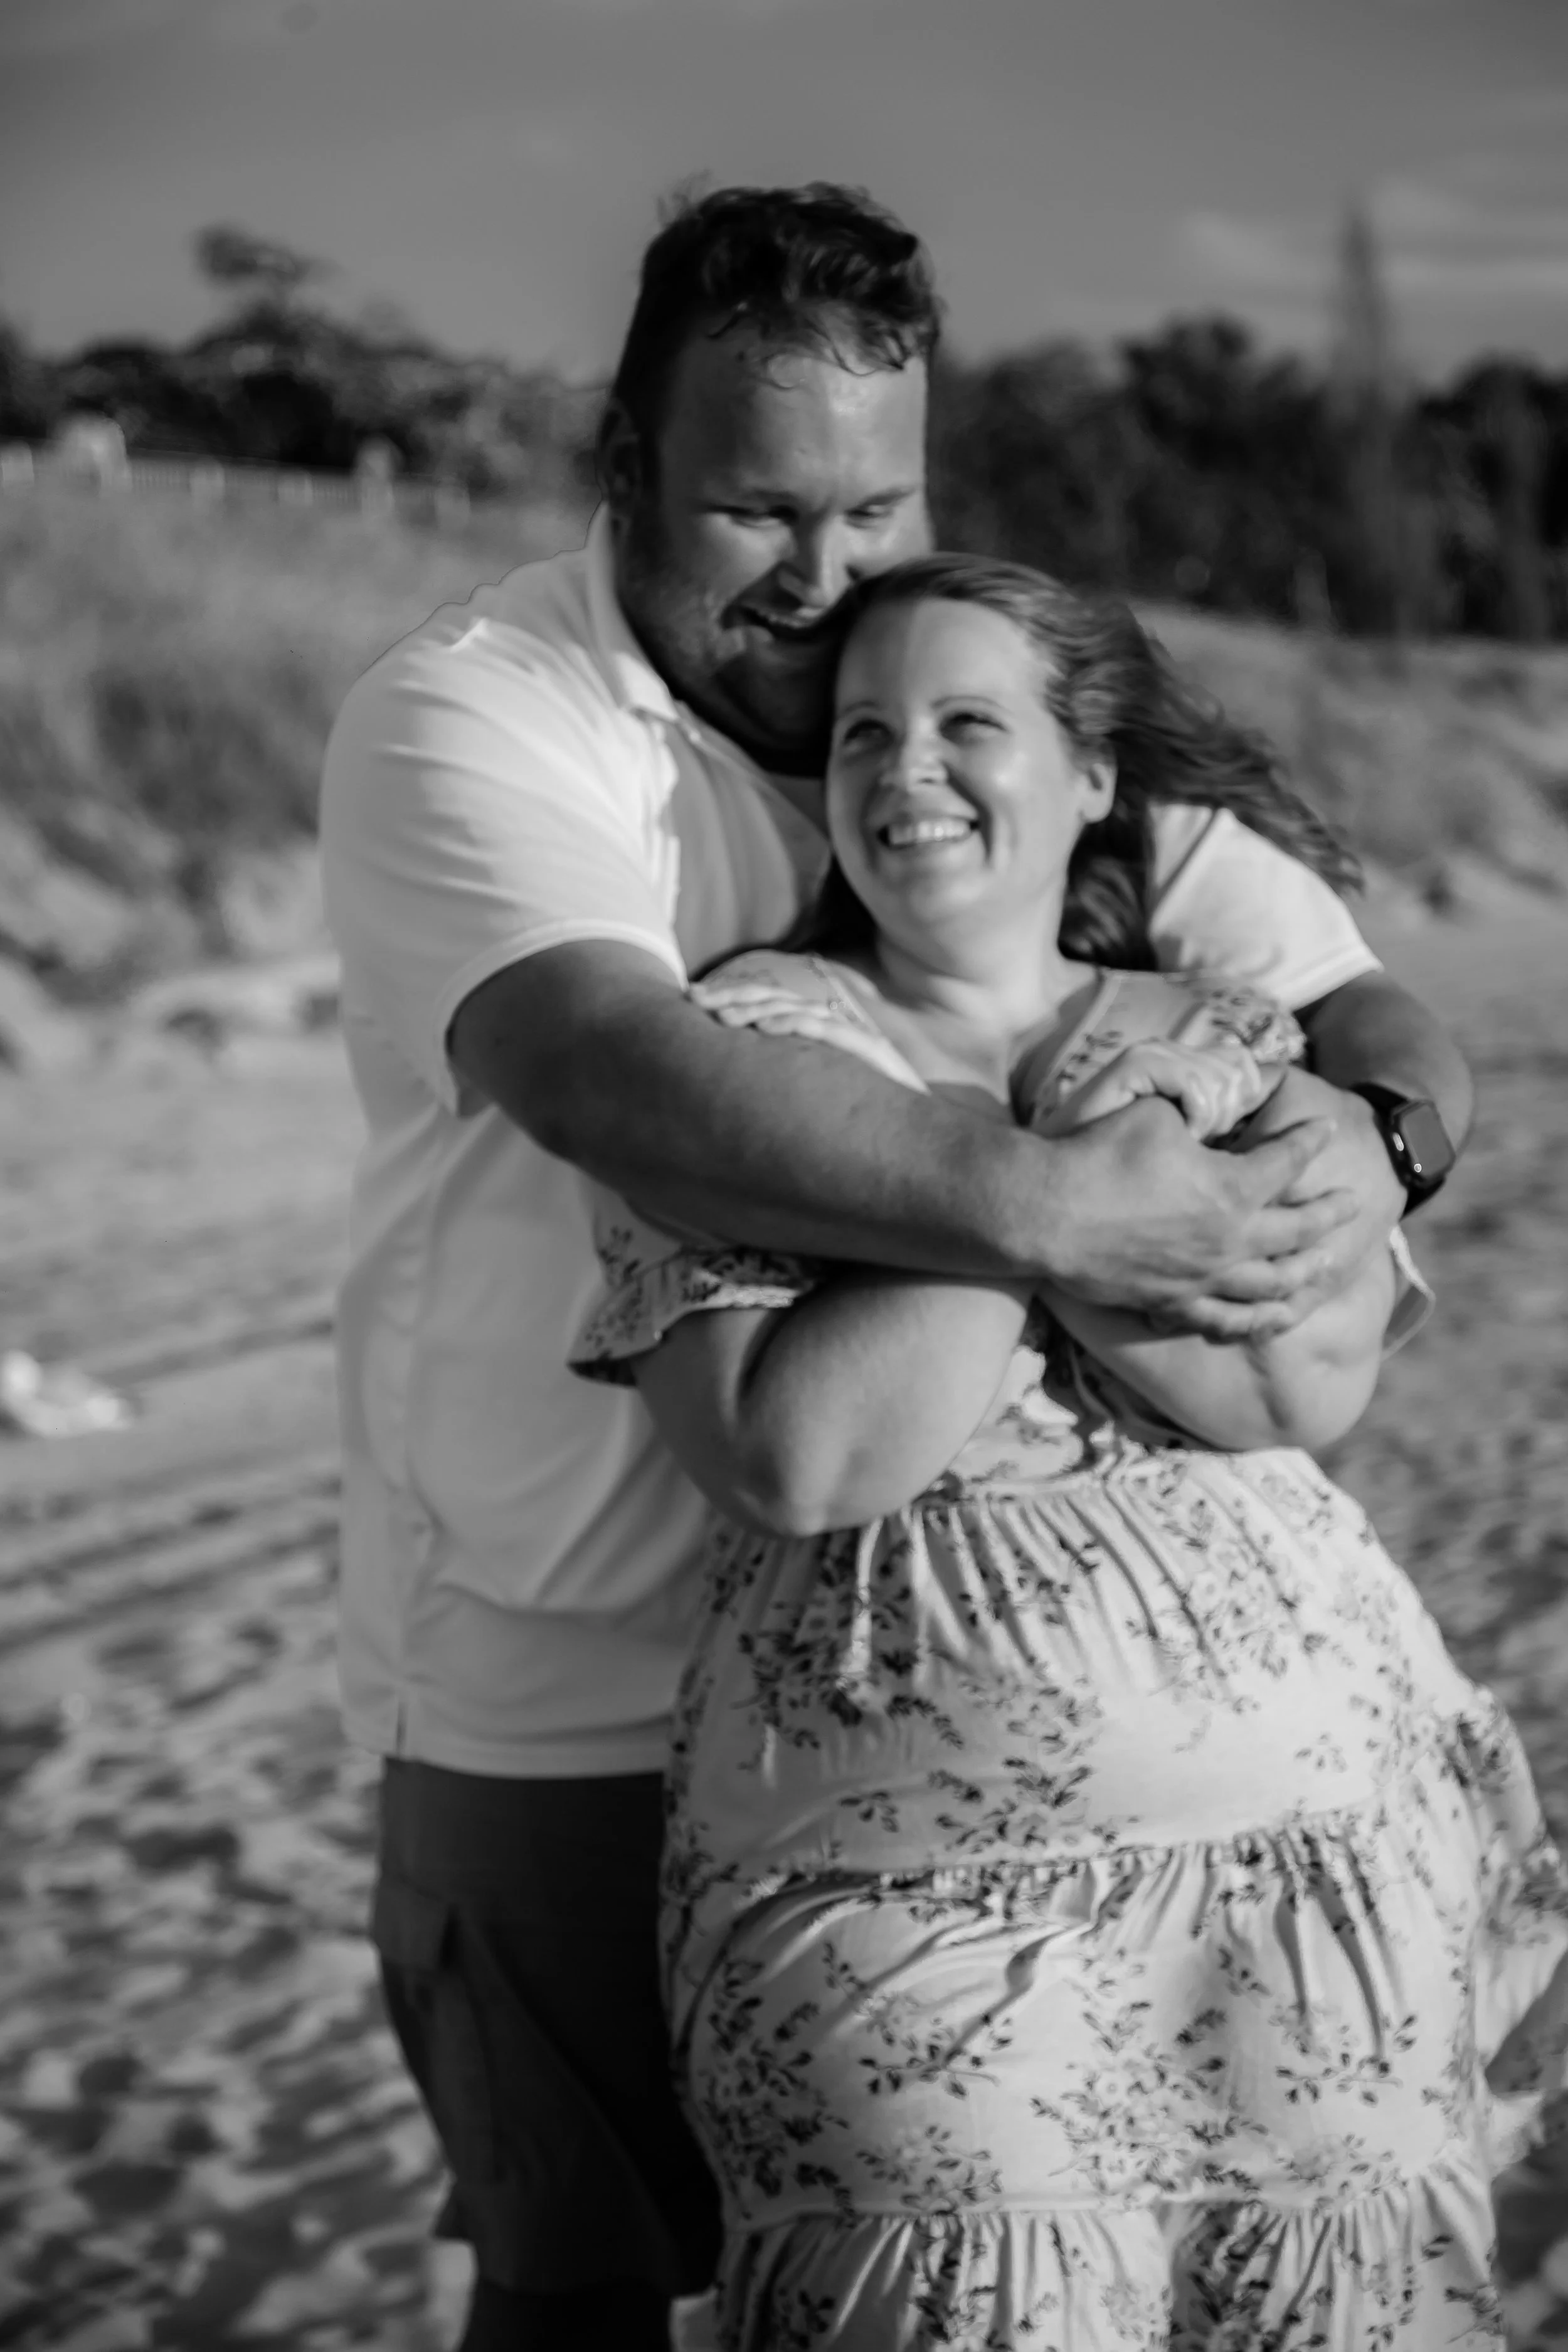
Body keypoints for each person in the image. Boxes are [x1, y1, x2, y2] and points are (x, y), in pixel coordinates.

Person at [317, 185, 1472, 2352]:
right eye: (759, 506)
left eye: (876, 502)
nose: (821, 573)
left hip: (977, 1765)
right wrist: (1061, 1185)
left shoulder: (947, 693)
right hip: (565, 1666)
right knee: (578, 2291)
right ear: (626, 463)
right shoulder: (482, 717)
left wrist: (1359, 1133)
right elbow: (614, 1071)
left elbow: (1374, 1017)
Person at [569, 554, 1568, 2351]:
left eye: (967, 723)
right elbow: (798, 1454)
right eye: (863, 730)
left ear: (1096, 776)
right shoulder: (747, 1051)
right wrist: (1047, 1187)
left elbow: (1293, 1391)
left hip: (1319, 1874)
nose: (905, 770)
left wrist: (1104, 1118)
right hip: (907, 1923)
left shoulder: (1226, 1035)